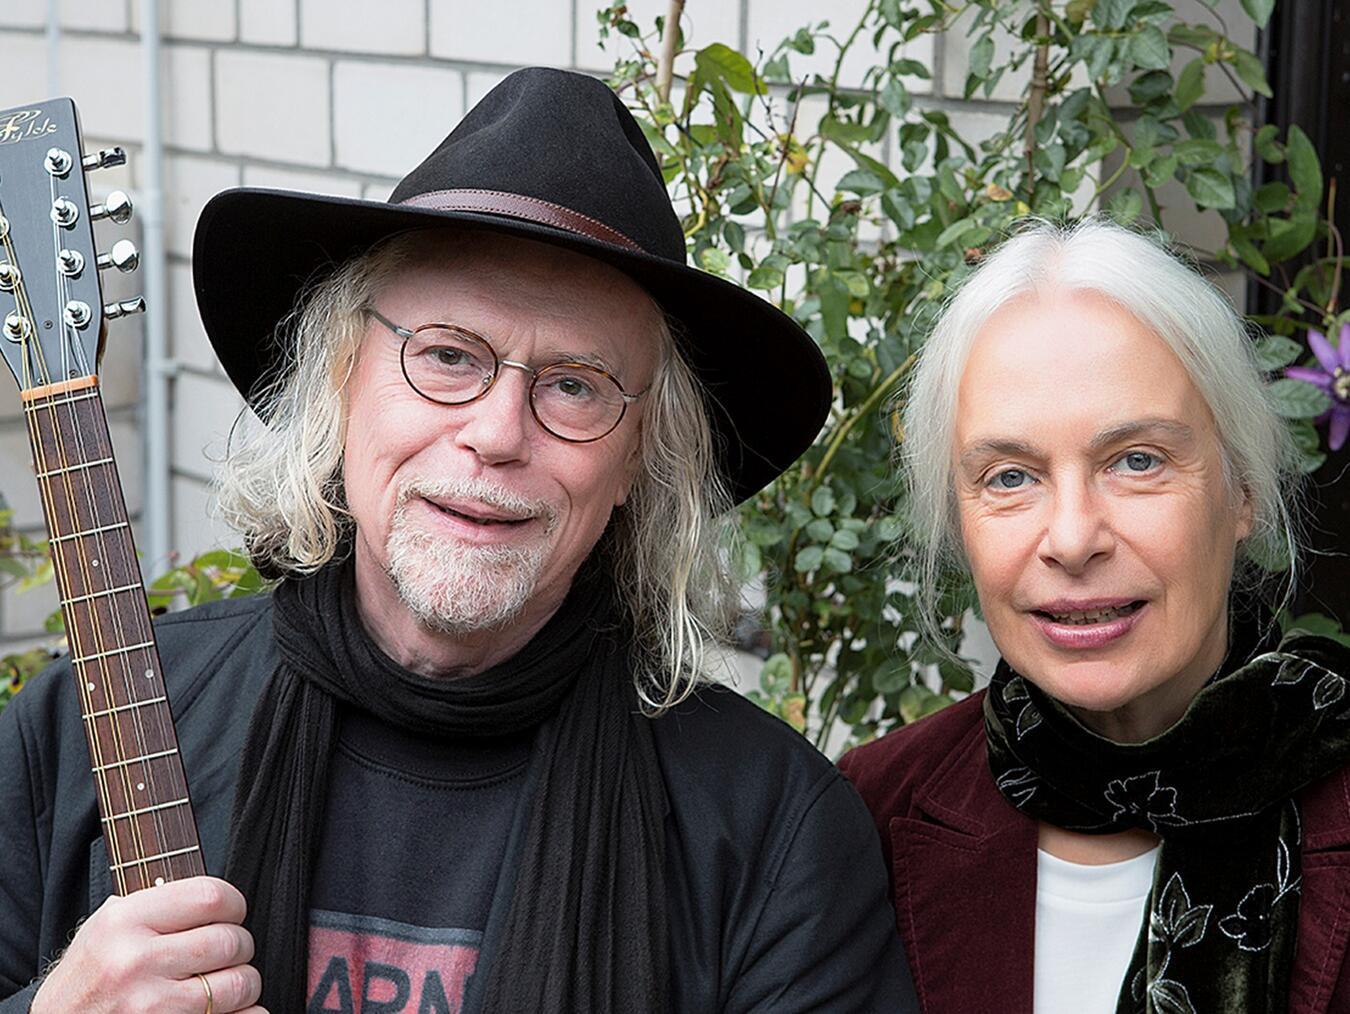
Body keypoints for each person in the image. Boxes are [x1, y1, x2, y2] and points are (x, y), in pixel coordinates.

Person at [0, 68, 917, 1013]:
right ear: (339, 381)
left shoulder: (773, 832)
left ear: (642, 459)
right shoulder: (88, 727)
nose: (497, 432)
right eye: (446, 354)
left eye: (576, 385)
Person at [840, 218, 1350, 1013]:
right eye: (1010, 477)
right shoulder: (861, 819)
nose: (1073, 539)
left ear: (1243, 490)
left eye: (1136, 461)